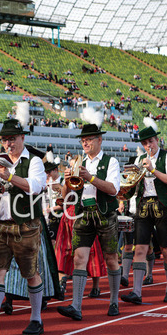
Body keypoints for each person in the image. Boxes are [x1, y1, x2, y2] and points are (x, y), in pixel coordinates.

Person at [0, 119, 47, 335]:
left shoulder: (34, 161)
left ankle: (36, 319)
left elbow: (35, 187)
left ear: (22, 138)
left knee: (31, 273)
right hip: (0, 224)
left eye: (12, 139)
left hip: (26, 225)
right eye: (5, 139)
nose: (8, 143)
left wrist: (9, 177)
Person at [56, 124, 121, 320]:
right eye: (83, 140)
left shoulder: (111, 162)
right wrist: (67, 181)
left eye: (89, 139)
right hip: (83, 212)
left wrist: (90, 178)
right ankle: (76, 305)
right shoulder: (78, 162)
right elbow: (66, 196)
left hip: (105, 214)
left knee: (111, 258)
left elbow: (113, 189)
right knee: (79, 258)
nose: (85, 143)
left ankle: (114, 301)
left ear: (99, 140)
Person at [121, 127, 167, 304]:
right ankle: (136, 292)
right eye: (145, 143)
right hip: (143, 205)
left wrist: (153, 170)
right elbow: (134, 185)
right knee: (140, 248)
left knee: (166, 249)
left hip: (162, 205)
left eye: (151, 141)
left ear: (157, 140)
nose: (148, 146)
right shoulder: (139, 159)